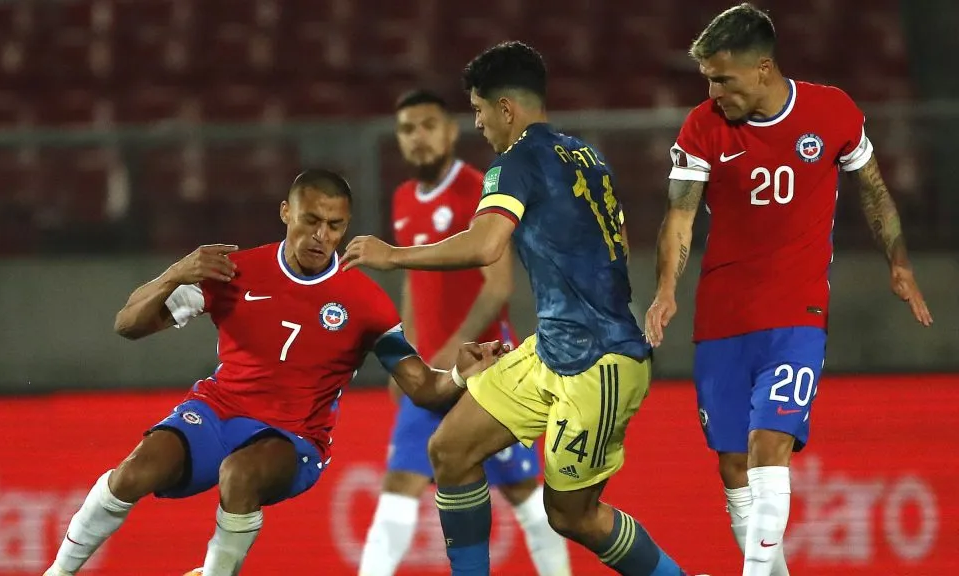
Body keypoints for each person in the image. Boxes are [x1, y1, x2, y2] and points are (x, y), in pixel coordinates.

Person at [43, 169, 506, 576]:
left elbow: (423, 387)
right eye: (311, 221)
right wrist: (174, 274)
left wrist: (461, 376)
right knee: (134, 472)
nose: (322, 236)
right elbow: (127, 326)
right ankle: (60, 571)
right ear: (286, 212)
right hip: (218, 411)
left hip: (294, 438)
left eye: (335, 226)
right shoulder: (234, 272)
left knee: (239, 475)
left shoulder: (365, 303)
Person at [344, 42, 691, 576]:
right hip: (551, 350)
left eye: (480, 110)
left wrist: (393, 256)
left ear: (506, 108)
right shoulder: (587, 155)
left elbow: (486, 247)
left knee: (572, 517)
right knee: (451, 450)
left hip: (600, 364)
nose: (477, 123)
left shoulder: (516, 163)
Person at [644, 4, 934, 576]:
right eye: (708, 80)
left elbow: (873, 190)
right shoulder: (702, 126)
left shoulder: (832, 111)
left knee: (768, 448)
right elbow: (679, 216)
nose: (713, 91)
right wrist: (664, 290)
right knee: (732, 465)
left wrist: (898, 262)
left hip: (796, 313)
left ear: (763, 69)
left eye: (722, 79)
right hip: (723, 313)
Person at [358, 89, 571, 576]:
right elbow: (415, 283)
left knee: (526, 497)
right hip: (433, 371)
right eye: (408, 129)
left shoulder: (480, 189)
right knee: (398, 488)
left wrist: (452, 354)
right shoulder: (404, 198)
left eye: (428, 125)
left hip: (486, 368)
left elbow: (498, 287)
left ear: (451, 131)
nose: (418, 137)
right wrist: (406, 358)